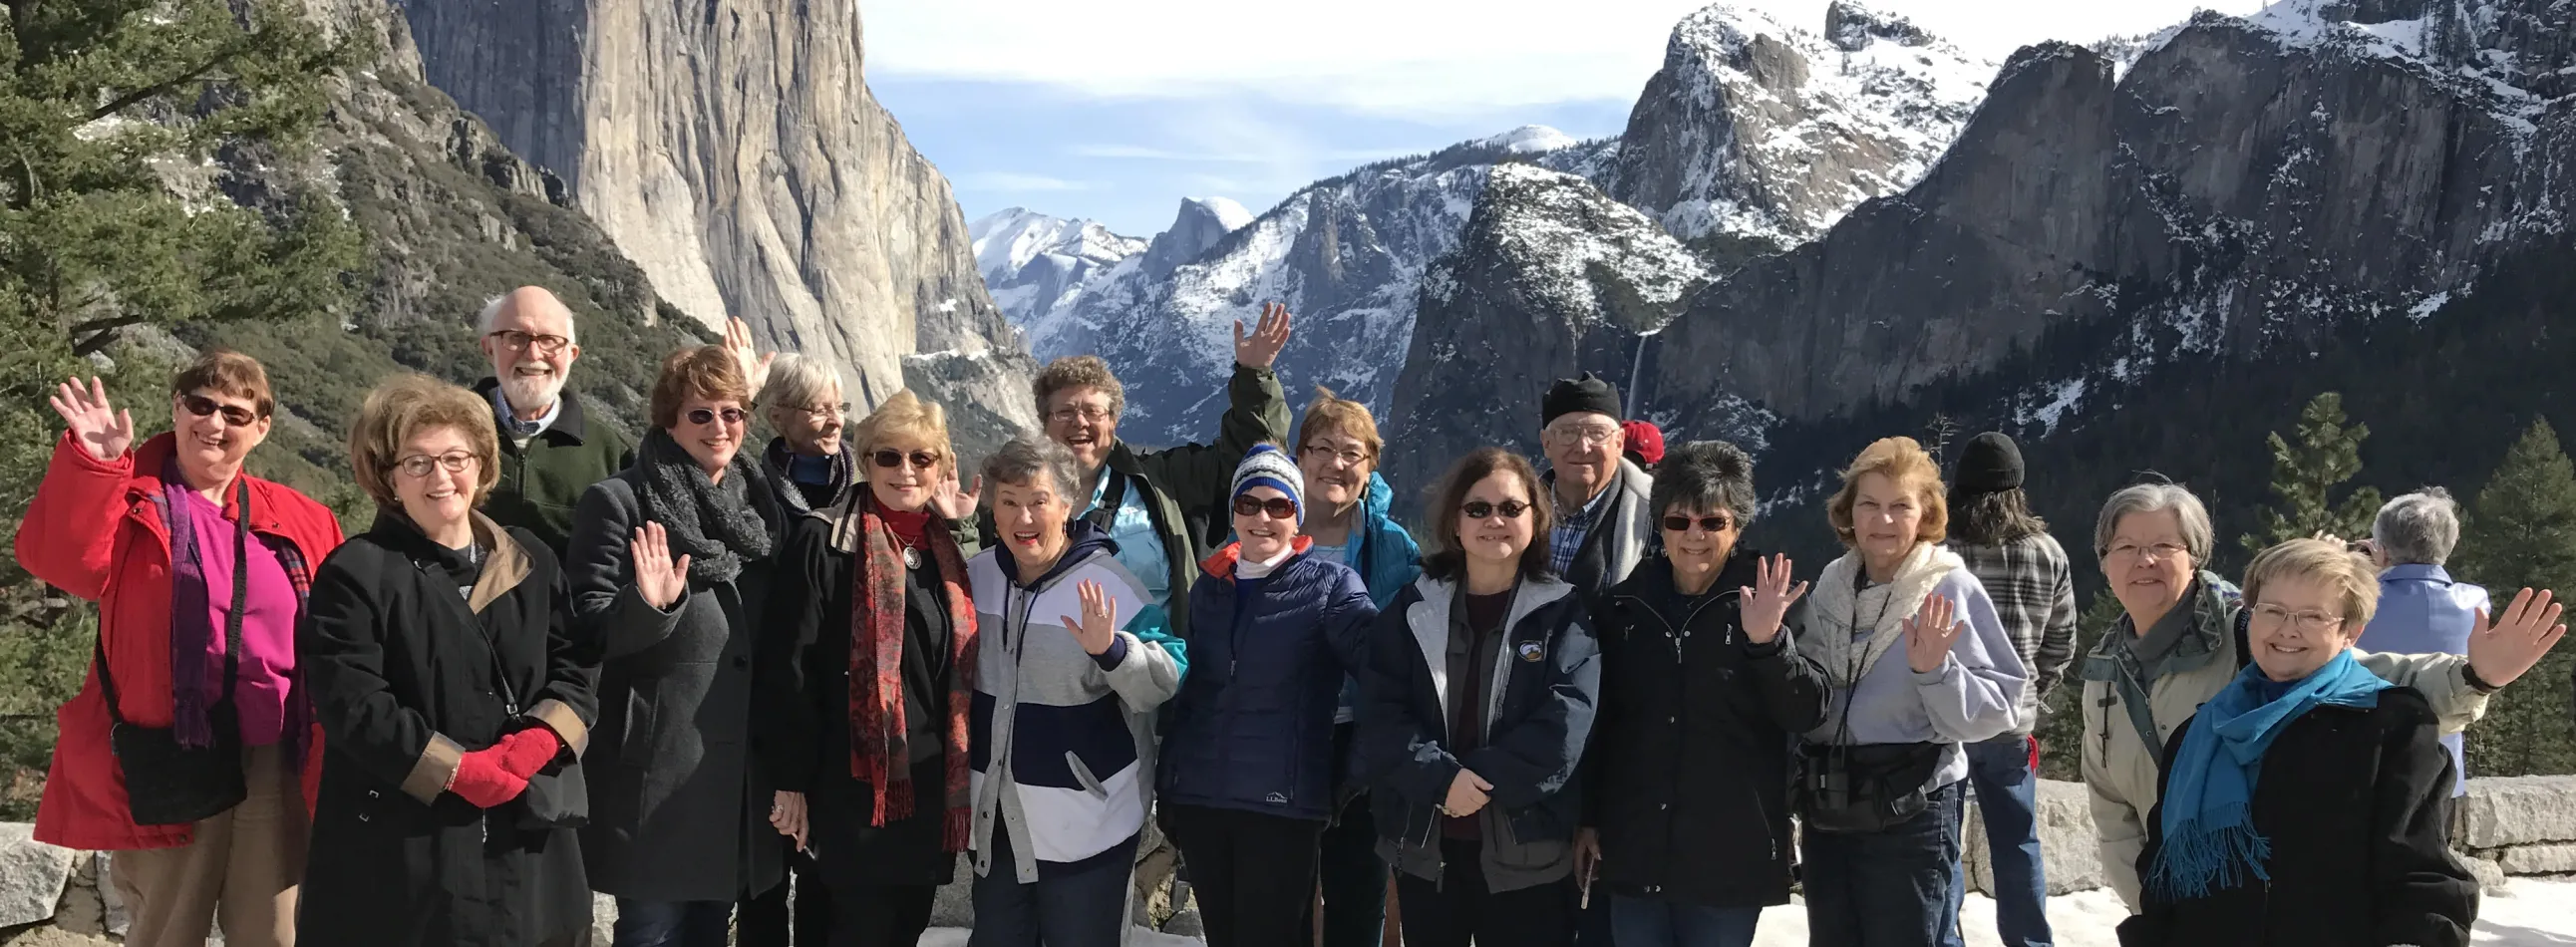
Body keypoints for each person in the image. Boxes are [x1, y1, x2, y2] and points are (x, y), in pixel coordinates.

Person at [2078, 482, 2561, 911]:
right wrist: (2152, 909)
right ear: (2103, 560)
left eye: (2164, 544)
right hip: (2184, 910)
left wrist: (2476, 676)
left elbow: (2370, 681)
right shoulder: (2105, 668)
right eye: (2126, 546)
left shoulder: (2252, 630)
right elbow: (2111, 806)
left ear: (2195, 554)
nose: (2145, 560)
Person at [14, 353, 342, 947]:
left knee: (276, 931)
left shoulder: (300, 517)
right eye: (201, 405)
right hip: (169, 751)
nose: (215, 423)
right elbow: (62, 562)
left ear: (263, 427)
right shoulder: (131, 497)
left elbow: (343, 626)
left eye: (236, 413)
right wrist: (95, 465)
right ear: (176, 408)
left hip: (274, 755)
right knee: (167, 929)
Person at [297, 375, 597, 946]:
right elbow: (353, 703)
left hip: (526, 831)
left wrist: (536, 743)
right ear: (388, 478)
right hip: (401, 841)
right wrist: (459, 770)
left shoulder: (530, 560)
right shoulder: (356, 573)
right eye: (417, 462)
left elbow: (577, 665)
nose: (441, 478)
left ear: (483, 465)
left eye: (456, 458)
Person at [2114, 539, 2518, 947]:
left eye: (2313, 616)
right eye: (2272, 610)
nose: (2287, 629)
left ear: (2351, 631)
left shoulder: (2389, 726)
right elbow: (2162, 878)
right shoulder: (2200, 732)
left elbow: (2421, 875)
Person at [569, 346, 785, 947]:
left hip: (736, 773)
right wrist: (650, 606)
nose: (721, 428)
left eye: (734, 412)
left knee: (709, 931)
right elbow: (587, 630)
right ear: (669, 420)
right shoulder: (619, 502)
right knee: (652, 930)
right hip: (658, 771)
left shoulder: (759, 509)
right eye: (702, 414)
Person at [1578, 442, 1828, 947]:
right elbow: (1600, 728)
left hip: (1728, 861)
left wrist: (1767, 644)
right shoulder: (1624, 607)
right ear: (1659, 526)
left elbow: (1808, 711)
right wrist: (1587, 820)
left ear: (1737, 527)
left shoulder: (1774, 603)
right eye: (1678, 522)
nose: (1694, 535)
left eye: (1712, 522)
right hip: (1634, 851)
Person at [757, 391, 982, 947]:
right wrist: (790, 785)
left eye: (921, 458)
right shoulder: (825, 540)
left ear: (940, 467)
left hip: (925, 796)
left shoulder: (944, 551)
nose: (905, 470)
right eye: (889, 456)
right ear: (865, 461)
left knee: (904, 931)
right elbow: (789, 672)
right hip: (848, 797)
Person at [1357, 447, 1601, 947]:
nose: (1495, 520)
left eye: (1512, 508)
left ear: (1536, 518)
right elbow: (1382, 712)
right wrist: (1441, 779)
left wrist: (1482, 779)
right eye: (1479, 508)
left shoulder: (1563, 613)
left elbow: (1567, 721)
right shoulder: (1414, 607)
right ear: (1456, 519)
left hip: (1527, 854)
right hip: (1428, 847)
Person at [1795, 437, 2025, 947]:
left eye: (1901, 506)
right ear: (1848, 513)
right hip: (1830, 801)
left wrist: (1936, 673)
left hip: (1912, 807)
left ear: (1925, 515)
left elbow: (2000, 708)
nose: (1884, 520)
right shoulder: (1831, 588)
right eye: (1870, 505)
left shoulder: (1948, 589)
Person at [965, 436, 1188, 947]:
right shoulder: (974, 578)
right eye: (1010, 502)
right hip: (996, 825)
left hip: (1089, 830)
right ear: (992, 511)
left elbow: (1168, 675)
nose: (1025, 518)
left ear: (1066, 505)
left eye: (1039, 501)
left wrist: (1113, 652)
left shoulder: (1109, 587)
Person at [1159, 445, 1380, 947]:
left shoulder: (1332, 586)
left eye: (1278, 506)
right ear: (1233, 511)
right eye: (1248, 504)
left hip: (1282, 810)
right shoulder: (1208, 589)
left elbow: (1386, 678)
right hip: (1202, 800)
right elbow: (1189, 695)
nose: (1262, 517)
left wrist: (1348, 775)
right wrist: (1170, 782)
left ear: (1297, 517)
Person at [1028, 301, 1292, 638]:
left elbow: (1249, 458)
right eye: (1065, 411)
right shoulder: (1015, 497)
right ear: (1044, 423)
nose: (1080, 421)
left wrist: (1254, 377)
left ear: (1113, 423)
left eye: (1093, 411)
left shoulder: (1165, 480)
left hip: (1156, 679)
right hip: (1056, 681)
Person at [1288, 389, 1421, 947]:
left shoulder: (1393, 547)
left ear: (1371, 467)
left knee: (1358, 895)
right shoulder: (1264, 526)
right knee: (1285, 895)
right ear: (1299, 458)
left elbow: (1413, 647)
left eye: (1352, 453)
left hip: (1365, 743)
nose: (1334, 464)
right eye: (1321, 448)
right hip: (1284, 739)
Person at [738, 352, 853, 947]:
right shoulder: (748, 492)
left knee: (822, 875)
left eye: (838, 407)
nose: (833, 421)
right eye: (816, 409)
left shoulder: (862, 494)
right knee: (763, 874)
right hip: (764, 701)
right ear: (778, 416)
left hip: (833, 710)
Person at [1941, 433, 2073, 947]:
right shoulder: (2047, 552)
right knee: (2018, 842)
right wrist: (2033, 691)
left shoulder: (1939, 551)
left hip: (1944, 718)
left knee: (1942, 843)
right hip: (2011, 722)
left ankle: (1944, 938)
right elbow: (2061, 639)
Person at [473, 287, 637, 556]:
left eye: (550, 340)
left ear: (571, 355)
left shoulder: (612, 454)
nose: (534, 354)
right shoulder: (445, 436)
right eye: (516, 337)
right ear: (489, 348)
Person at [2357, 488, 2487, 795]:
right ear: (2449, 544)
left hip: (2365, 766)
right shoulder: (2474, 602)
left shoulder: (2358, 600)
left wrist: (2369, 571)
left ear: (2382, 546)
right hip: (2442, 772)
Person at [1537, 373, 1654, 600]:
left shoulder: (1658, 517)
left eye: (1597, 433)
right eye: (1568, 433)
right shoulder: (1511, 513)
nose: (1583, 446)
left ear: (1619, 442)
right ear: (1546, 443)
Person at [757, 353, 857, 516]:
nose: (837, 421)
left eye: (840, 407)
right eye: (820, 410)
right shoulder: (756, 488)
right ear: (777, 416)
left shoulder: (871, 480)